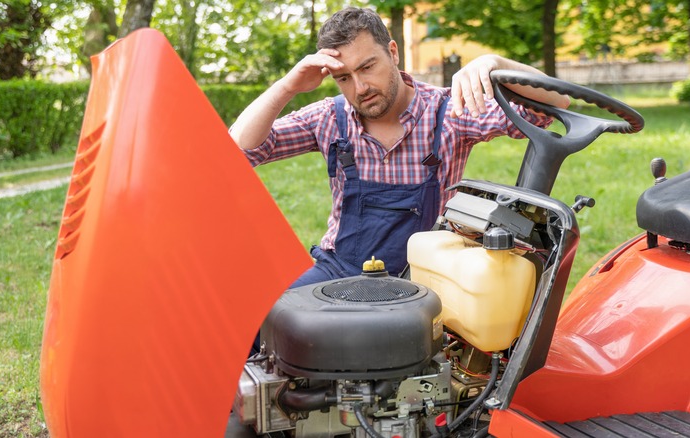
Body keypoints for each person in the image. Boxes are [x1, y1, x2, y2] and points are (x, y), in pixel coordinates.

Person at [229, 7, 569, 289]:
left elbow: (550, 107)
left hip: (425, 279)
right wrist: (289, 85)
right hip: (339, 271)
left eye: (366, 67)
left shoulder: (449, 113)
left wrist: (496, 64)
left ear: (393, 52)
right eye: (344, 77)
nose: (360, 88)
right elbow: (241, 151)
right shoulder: (328, 118)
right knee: (266, 325)